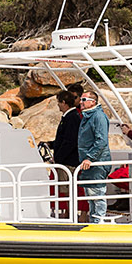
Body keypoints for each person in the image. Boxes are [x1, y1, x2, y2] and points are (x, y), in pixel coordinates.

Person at [74, 87, 114, 223]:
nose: (81, 102)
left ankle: (99, 222)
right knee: (91, 196)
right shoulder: (88, 116)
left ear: (93, 101)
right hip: (89, 164)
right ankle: (94, 221)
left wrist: (89, 157)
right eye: (80, 100)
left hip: (96, 163)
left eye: (84, 100)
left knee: (97, 194)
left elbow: (101, 140)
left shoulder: (98, 116)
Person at [50, 87, 82, 218]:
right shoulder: (69, 117)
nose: (57, 105)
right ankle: (70, 214)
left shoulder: (72, 118)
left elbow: (70, 141)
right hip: (67, 160)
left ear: (64, 102)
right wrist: (51, 144)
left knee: (68, 190)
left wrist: (58, 158)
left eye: (58, 102)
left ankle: (71, 215)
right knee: (66, 190)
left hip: (68, 161)